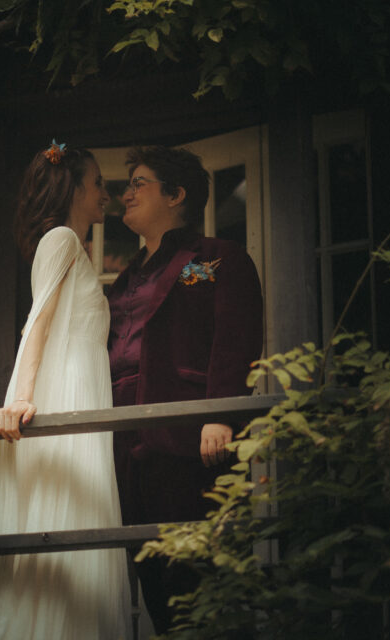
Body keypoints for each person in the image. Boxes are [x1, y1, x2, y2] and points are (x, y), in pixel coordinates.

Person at [107, 145, 264, 634]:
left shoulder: (215, 259)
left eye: (139, 182)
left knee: (197, 573)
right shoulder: (123, 279)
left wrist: (218, 413)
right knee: (151, 578)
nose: (126, 192)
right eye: (127, 183)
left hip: (188, 438)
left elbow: (234, 339)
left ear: (175, 195)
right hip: (121, 442)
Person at [0, 141, 132, 640]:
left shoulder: (75, 248)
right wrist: (20, 397)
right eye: (97, 184)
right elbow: (37, 321)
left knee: (83, 518)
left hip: (84, 388)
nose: (105, 194)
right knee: (63, 515)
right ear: (73, 187)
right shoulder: (61, 239)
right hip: (65, 390)